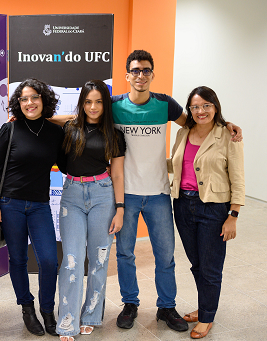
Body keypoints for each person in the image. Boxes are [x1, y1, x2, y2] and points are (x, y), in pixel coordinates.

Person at [49, 49, 242, 332]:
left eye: (146, 70)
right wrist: (39, 119)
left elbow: (199, 121)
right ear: (127, 75)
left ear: (152, 74)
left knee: (165, 255)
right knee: (125, 253)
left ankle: (166, 306)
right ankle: (130, 303)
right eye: (135, 70)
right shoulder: (113, 105)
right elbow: (78, 116)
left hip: (160, 194)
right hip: (124, 194)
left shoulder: (165, 105)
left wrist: (226, 124)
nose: (140, 75)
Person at [0, 78, 65, 337]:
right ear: (18, 103)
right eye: (24, 99)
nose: (29, 103)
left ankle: (47, 310)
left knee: (49, 260)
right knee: (18, 259)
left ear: (44, 99)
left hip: (40, 204)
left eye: (34, 97)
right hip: (11, 204)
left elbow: (66, 164)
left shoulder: (55, 133)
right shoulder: (10, 130)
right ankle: (27, 308)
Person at [168, 86, 244, 339]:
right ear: (189, 110)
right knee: (197, 264)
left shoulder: (228, 136)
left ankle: (207, 316)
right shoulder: (183, 132)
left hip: (213, 209)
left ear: (215, 106)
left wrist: (233, 216)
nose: (201, 111)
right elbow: (177, 163)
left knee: (211, 267)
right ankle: (204, 307)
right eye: (195, 107)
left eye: (206, 106)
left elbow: (238, 178)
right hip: (183, 205)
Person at [55, 80, 126, 341]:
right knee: (71, 261)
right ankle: (67, 320)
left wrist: (120, 209)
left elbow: (117, 175)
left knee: (99, 260)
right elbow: (62, 158)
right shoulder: (70, 128)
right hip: (72, 195)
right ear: (81, 104)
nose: (93, 107)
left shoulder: (114, 134)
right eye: (88, 102)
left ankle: (91, 316)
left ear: (105, 104)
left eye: (98, 102)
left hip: (103, 195)